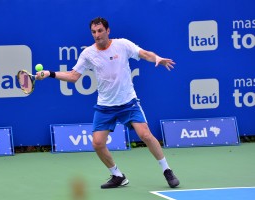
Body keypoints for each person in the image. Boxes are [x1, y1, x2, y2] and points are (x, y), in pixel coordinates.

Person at [36, 17, 180, 189]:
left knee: (146, 135)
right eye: (93, 32)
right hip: (105, 106)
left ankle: (167, 170)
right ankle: (117, 175)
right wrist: (50, 73)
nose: (97, 35)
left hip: (128, 102)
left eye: (100, 31)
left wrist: (156, 58)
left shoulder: (123, 45)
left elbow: (143, 54)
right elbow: (73, 76)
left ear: (108, 31)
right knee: (97, 143)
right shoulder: (88, 53)